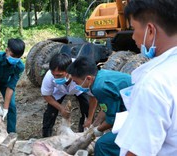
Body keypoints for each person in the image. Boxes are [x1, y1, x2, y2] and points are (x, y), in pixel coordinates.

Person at [115, 0, 177, 155]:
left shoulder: (153, 82)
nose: (133, 37)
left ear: (150, 30)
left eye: (133, 28)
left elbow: (138, 151)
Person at [67, 56, 132, 156]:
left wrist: (97, 130)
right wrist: (94, 125)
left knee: (103, 144)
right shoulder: (100, 76)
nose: (76, 85)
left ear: (88, 78)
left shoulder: (99, 87)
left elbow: (112, 119)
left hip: (145, 116)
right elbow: (106, 108)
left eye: (76, 82)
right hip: (136, 109)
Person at [41, 53, 90, 137]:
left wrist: (90, 118)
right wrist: (61, 108)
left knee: (87, 107)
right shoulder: (49, 76)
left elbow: (93, 95)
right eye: (54, 75)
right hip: (59, 90)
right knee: (50, 113)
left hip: (79, 88)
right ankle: (46, 136)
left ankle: (82, 132)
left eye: (59, 75)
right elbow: (47, 95)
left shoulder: (82, 72)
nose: (56, 78)